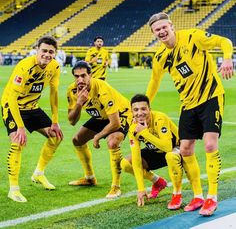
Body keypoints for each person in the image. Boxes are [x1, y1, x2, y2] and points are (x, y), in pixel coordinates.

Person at [146, 12, 234, 216]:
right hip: (187, 104)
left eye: (163, 27)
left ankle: (212, 197)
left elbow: (225, 41)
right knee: (185, 149)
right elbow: (154, 82)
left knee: (210, 144)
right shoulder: (160, 57)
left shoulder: (193, 37)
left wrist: (228, 59)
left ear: (171, 26)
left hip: (211, 97)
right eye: (157, 30)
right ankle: (197, 196)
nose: (161, 32)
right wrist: (145, 104)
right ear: (153, 33)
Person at [1, 36, 64, 203]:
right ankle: (13, 189)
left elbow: (54, 93)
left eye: (51, 52)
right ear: (37, 50)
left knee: (56, 136)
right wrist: (20, 127)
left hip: (32, 107)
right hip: (12, 107)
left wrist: (55, 121)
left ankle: (39, 174)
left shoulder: (55, 67)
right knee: (17, 141)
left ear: (55, 54)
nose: (47, 55)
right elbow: (12, 98)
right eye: (44, 50)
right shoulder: (24, 67)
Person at [67, 61, 131, 199]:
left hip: (121, 114)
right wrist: (79, 103)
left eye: (83, 76)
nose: (80, 80)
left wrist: (98, 136)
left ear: (90, 75)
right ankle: (89, 178)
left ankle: (116, 186)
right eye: (76, 76)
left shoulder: (102, 89)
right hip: (101, 115)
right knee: (77, 140)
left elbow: (115, 123)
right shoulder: (72, 90)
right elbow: (72, 121)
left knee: (112, 142)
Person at [121, 94, 184, 208]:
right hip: (156, 151)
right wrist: (141, 188)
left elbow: (167, 147)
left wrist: (144, 132)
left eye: (143, 109)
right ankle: (158, 182)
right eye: (136, 110)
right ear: (131, 112)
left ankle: (177, 194)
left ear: (150, 109)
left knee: (170, 155)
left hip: (177, 149)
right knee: (125, 163)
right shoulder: (132, 127)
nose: (139, 113)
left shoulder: (160, 118)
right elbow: (136, 158)